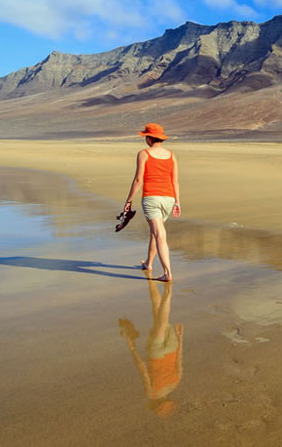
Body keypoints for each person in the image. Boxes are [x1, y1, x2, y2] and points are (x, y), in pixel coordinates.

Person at [123, 123, 180, 282]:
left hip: (151, 198)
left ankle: (167, 274)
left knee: (160, 234)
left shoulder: (144, 154)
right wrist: (177, 202)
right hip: (169, 199)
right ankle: (148, 263)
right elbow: (175, 181)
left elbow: (138, 179)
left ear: (149, 138)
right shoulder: (171, 155)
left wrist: (128, 200)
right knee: (155, 232)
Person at [119, 281, 184, 416]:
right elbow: (142, 369)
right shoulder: (152, 393)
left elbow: (179, 361)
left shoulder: (175, 383)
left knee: (158, 315)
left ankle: (152, 281)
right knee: (161, 321)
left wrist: (180, 338)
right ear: (155, 404)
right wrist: (133, 350)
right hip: (156, 353)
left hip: (172, 348)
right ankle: (168, 292)